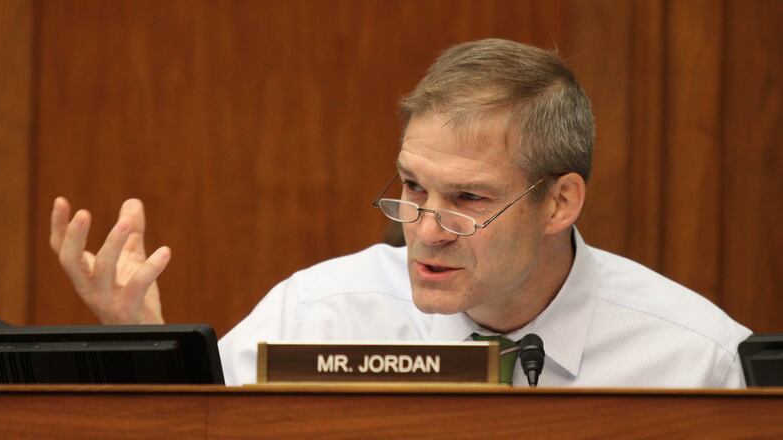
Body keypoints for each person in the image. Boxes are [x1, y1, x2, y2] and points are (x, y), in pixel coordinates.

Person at [49, 39, 751, 387]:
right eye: (414, 188)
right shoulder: (316, 314)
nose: (424, 230)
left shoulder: (697, 358)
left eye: (468, 199)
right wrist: (146, 347)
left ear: (559, 201)